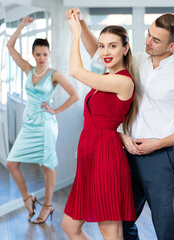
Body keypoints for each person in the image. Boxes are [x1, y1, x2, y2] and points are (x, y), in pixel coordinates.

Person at [68, 9, 174, 240]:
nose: (148, 42)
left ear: (173, 46)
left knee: (164, 228)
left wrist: (157, 144)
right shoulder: (139, 59)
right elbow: (98, 54)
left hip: (160, 160)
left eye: (156, 39)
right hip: (125, 155)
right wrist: (81, 24)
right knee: (123, 222)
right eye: (148, 34)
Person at [62, 12, 137, 240]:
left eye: (112, 46)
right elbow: (94, 50)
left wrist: (75, 34)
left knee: (109, 230)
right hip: (89, 155)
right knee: (70, 226)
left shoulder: (123, 81)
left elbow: (75, 71)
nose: (105, 52)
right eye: (102, 46)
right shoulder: (106, 76)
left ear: (125, 49)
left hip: (106, 156)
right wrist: (82, 23)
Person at [6, 16, 79, 224]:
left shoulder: (54, 74)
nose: (41, 58)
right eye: (38, 54)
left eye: (45, 54)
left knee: (47, 166)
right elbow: (10, 47)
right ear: (33, 54)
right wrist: (20, 26)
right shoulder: (28, 69)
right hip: (29, 124)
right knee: (11, 163)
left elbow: (75, 95)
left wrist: (55, 110)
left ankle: (47, 206)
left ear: (49, 55)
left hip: (46, 125)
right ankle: (28, 198)